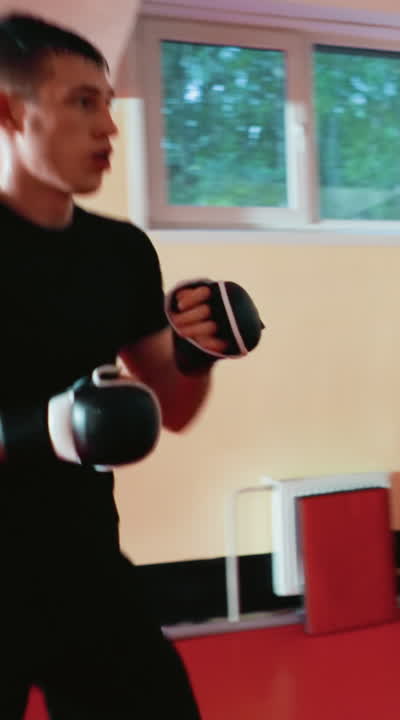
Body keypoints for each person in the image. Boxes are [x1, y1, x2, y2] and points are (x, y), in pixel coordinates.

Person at [0, 13, 261, 718]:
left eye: (108, 105)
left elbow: (171, 410)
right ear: (9, 112)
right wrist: (41, 430)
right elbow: (61, 428)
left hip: (83, 568)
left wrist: (197, 354)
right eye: (82, 102)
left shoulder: (119, 253)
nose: (109, 128)